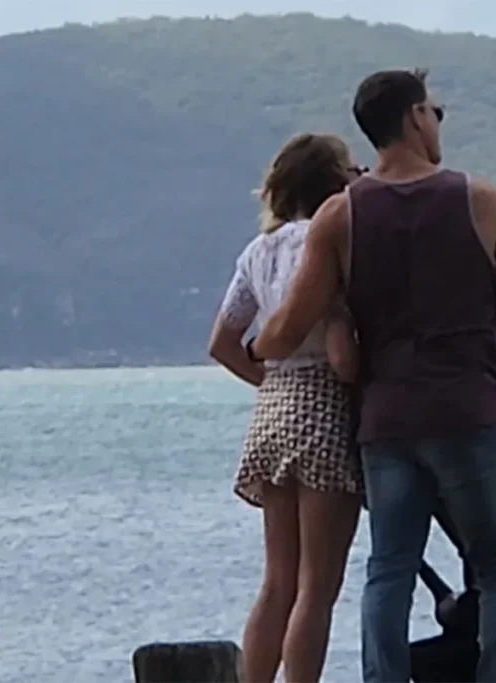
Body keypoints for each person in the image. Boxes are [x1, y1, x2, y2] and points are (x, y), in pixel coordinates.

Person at [248, 68, 496, 683]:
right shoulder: (480, 200)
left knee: (389, 571)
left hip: (387, 421)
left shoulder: (339, 217)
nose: (437, 123)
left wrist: (259, 344)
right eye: (434, 112)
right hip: (471, 410)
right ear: (413, 117)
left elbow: (288, 326)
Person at [207, 133, 367, 683]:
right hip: (323, 409)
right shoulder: (334, 241)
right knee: (316, 587)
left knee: (277, 581)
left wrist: (273, 380)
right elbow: (342, 358)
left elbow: (223, 343)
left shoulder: (259, 251)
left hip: (272, 407)